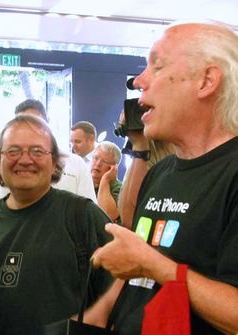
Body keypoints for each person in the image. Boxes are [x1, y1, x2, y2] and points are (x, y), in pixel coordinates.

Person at [87, 22, 238, 334]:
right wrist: (99, 313)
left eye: (157, 66)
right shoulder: (161, 172)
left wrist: (153, 264)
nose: (138, 81)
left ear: (206, 81)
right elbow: (141, 275)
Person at [0, 114, 113, 335]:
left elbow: (121, 293)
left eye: (37, 151)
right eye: (13, 151)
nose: (25, 160)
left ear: (54, 161)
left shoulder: (82, 216)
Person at [14, 99, 97, 203]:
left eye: (36, 122)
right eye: (22, 125)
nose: (29, 129)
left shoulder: (76, 164)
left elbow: (89, 212)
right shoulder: (12, 167)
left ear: (47, 121)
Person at [90, 141, 122, 223]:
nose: (97, 164)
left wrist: (105, 180)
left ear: (113, 167)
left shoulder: (119, 188)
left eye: (104, 161)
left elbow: (109, 215)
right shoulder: (84, 182)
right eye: (95, 158)